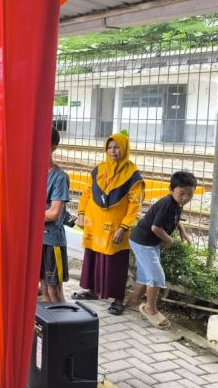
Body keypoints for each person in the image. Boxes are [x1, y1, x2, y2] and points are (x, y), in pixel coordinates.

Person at [74, 133, 144, 315]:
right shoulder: (99, 169)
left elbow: (135, 204)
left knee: (116, 263)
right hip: (94, 224)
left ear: (125, 149)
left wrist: (124, 227)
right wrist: (81, 214)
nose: (113, 151)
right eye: (110, 147)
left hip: (115, 227)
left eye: (117, 147)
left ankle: (118, 300)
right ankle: (92, 291)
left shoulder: (132, 174)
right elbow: (87, 193)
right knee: (93, 258)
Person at [126, 171, 196, 328]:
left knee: (145, 275)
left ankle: (132, 302)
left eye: (190, 194)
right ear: (171, 189)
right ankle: (149, 308)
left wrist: (182, 231)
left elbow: (175, 220)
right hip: (143, 242)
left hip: (147, 242)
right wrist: (169, 240)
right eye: (182, 193)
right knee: (156, 276)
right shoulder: (167, 205)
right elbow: (156, 227)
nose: (185, 197)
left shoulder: (177, 203)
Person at [42, 127, 70, 303]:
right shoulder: (33, 173)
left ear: (54, 146)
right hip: (38, 240)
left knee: (54, 291)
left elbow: (53, 213)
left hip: (52, 242)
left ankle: (65, 329)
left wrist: (27, 216)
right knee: (44, 289)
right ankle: (47, 329)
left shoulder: (59, 177)